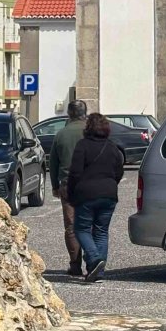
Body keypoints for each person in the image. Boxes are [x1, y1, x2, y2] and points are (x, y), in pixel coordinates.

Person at [67, 112, 124, 283]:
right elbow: (119, 172)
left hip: (87, 194)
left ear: (88, 128)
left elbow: (75, 173)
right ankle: (98, 273)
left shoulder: (82, 146)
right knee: (101, 232)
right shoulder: (112, 147)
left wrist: (71, 194)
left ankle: (94, 259)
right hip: (109, 194)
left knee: (81, 229)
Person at [49, 100, 87, 276]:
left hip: (68, 184)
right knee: (90, 224)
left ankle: (75, 264)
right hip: (91, 184)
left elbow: (53, 163)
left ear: (70, 114)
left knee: (71, 226)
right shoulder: (92, 132)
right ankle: (93, 261)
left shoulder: (61, 134)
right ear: (84, 113)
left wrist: (55, 186)